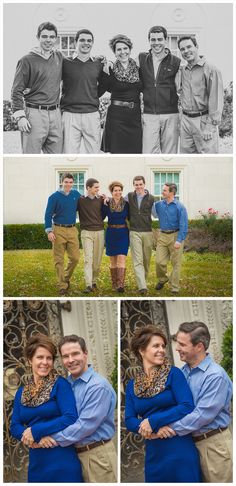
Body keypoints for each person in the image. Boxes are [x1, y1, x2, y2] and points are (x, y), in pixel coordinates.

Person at [153, 322, 233, 483]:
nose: (177, 348)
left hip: (213, 447)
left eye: (182, 344)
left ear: (199, 347)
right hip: (187, 446)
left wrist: (167, 429)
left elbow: (202, 415)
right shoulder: (181, 373)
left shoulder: (215, 376)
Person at [125, 325, 201, 483]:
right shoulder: (132, 385)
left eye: (163, 346)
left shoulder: (174, 373)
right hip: (154, 451)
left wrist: (154, 421)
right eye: (155, 346)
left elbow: (187, 406)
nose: (161, 350)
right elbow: (129, 419)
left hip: (180, 449)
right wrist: (154, 430)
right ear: (141, 350)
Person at [37, 334, 117, 483]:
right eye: (65, 356)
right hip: (72, 455)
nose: (71, 360)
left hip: (97, 456)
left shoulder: (98, 386)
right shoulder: (66, 384)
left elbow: (84, 426)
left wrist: (50, 439)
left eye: (75, 353)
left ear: (85, 353)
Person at [10, 333, 83, 483]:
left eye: (49, 358)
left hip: (62, 459)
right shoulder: (21, 392)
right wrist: (35, 438)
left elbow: (70, 417)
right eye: (40, 357)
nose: (45, 362)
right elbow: (14, 426)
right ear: (30, 360)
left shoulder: (60, 384)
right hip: (36, 460)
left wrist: (36, 431)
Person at [11, 22, 63, 154]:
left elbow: (76, 65)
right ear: (38, 37)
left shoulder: (59, 57)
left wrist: (98, 59)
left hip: (56, 114)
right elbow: (16, 90)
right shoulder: (26, 60)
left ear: (56, 39)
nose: (48, 40)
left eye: (52, 37)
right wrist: (20, 117)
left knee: (56, 159)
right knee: (31, 157)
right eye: (44, 36)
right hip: (34, 114)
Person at [137, 26, 180, 154]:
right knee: (148, 152)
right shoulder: (141, 58)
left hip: (171, 114)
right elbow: (126, 65)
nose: (156, 43)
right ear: (149, 41)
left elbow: (181, 87)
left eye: (160, 39)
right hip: (150, 114)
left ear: (165, 40)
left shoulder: (176, 62)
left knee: (169, 153)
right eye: (153, 39)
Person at [61, 29, 105, 153]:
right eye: (82, 40)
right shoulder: (65, 62)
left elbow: (104, 85)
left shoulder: (98, 63)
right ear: (75, 42)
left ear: (92, 43)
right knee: (69, 154)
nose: (86, 43)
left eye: (89, 41)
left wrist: (91, 95)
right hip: (70, 114)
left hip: (91, 114)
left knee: (94, 154)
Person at [177, 36, 224, 153]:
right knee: (187, 161)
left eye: (189, 47)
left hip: (203, 121)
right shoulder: (183, 70)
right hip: (186, 122)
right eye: (182, 49)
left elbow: (217, 99)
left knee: (207, 160)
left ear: (196, 47)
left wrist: (210, 126)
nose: (186, 51)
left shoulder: (211, 69)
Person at [101, 34, 142, 153]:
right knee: (116, 153)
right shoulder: (109, 69)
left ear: (130, 50)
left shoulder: (139, 70)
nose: (122, 52)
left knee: (135, 152)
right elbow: (100, 90)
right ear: (114, 53)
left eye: (125, 48)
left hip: (134, 117)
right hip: (116, 118)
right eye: (119, 49)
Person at [44, 172, 80, 296]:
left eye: (70, 182)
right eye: (66, 182)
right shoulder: (54, 197)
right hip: (58, 229)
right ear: (62, 182)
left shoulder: (76, 194)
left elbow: (87, 203)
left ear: (73, 183)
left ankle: (64, 278)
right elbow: (48, 215)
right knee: (59, 259)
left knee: (75, 258)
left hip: (72, 229)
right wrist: (49, 231)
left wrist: (100, 197)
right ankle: (62, 285)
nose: (68, 184)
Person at [152, 182, 188, 294]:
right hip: (162, 235)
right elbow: (151, 211)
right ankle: (163, 279)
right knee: (159, 262)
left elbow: (184, 225)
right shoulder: (158, 204)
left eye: (164, 190)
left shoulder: (180, 207)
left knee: (176, 263)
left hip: (175, 236)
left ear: (172, 193)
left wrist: (179, 240)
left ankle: (175, 287)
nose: (162, 192)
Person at [126, 176, 154, 295]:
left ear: (144, 184)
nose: (138, 187)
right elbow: (118, 201)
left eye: (140, 184)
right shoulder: (129, 196)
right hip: (134, 231)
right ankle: (142, 286)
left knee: (146, 260)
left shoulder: (151, 198)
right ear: (134, 185)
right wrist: (107, 199)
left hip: (147, 231)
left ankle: (143, 279)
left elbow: (156, 213)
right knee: (137, 260)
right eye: (136, 185)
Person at [77, 178, 104, 293]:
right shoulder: (80, 200)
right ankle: (88, 284)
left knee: (97, 260)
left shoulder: (101, 200)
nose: (98, 189)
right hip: (86, 232)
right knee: (88, 259)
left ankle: (93, 282)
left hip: (99, 232)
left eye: (98, 187)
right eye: (96, 187)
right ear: (88, 188)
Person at [102, 181, 129, 292]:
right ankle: (114, 284)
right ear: (111, 192)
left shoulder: (127, 204)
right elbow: (101, 216)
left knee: (121, 259)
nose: (118, 192)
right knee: (113, 261)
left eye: (119, 190)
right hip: (111, 233)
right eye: (115, 190)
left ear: (122, 191)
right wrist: (103, 201)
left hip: (123, 233)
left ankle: (120, 285)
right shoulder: (107, 203)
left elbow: (131, 217)